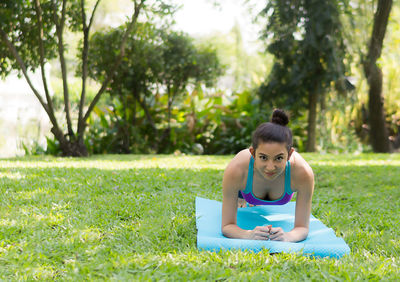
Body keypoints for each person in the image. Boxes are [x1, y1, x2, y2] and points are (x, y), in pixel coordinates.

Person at [221, 109, 314, 242]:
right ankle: (241, 197)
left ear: (290, 154)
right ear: (253, 153)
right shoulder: (237, 170)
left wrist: (289, 236)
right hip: (246, 183)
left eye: (279, 158)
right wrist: (247, 234)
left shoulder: (302, 173)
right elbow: (227, 226)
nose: (270, 167)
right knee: (240, 198)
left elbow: (302, 228)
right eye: (263, 157)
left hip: (285, 177)